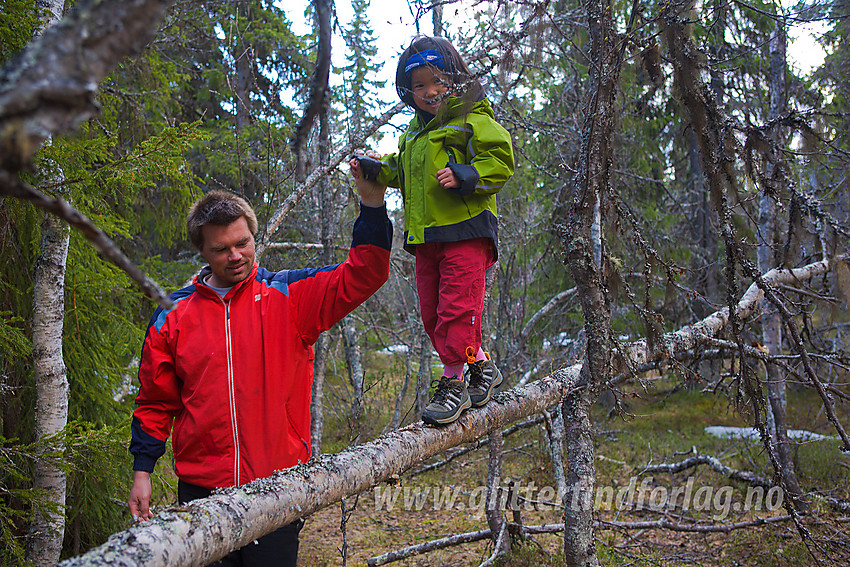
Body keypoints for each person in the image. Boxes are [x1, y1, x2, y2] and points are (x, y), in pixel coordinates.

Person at [127, 181, 390, 566]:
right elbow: (155, 402)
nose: (235, 255)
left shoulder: (289, 295)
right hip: (202, 493)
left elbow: (365, 273)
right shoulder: (172, 317)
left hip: (278, 489)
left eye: (243, 243)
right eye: (221, 249)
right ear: (201, 251)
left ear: (253, 236)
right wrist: (142, 471)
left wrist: (372, 202)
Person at [351, 36, 514, 426]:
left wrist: (469, 174)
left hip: (467, 233)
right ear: (409, 91)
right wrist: (377, 169)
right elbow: (401, 173)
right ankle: (481, 367)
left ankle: (454, 382)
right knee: (432, 314)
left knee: (457, 309)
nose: (429, 91)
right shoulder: (413, 136)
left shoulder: (472, 119)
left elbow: (502, 159)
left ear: (454, 79)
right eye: (419, 85)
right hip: (427, 239)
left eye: (437, 81)